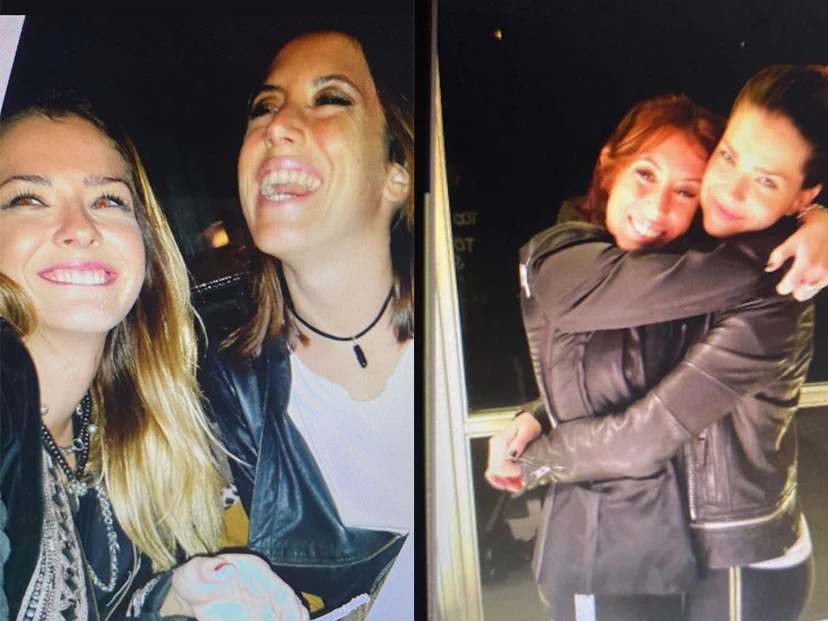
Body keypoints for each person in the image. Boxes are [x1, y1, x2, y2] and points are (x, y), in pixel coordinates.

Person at [486, 65, 828, 621]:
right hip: (660, 552)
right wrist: (541, 414)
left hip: (740, 557)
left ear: (800, 194)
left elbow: (648, 431)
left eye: (766, 180)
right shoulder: (660, 266)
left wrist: (537, 461)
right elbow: (642, 370)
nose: (730, 190)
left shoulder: (781, 285)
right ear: (609, 164)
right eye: (728, 157)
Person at [0, 94, 309, 621]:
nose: (81, 227)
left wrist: (172, 600)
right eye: (28, 199)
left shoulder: (121, 432)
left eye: (108, 200)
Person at [198, 30, 414, 620]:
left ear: (396, 174)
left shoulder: (457, 356)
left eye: (330, 99)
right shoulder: (207, 396)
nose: (276, 127)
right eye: (263, 107)